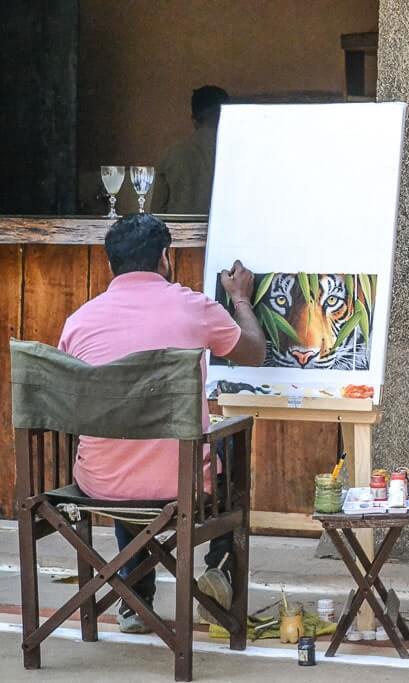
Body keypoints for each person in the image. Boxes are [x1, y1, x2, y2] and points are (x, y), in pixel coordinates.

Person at [58, 213, 265, 633]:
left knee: (122, 444)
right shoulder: (193, 306)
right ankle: (220, 567)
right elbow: (254, 353)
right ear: (165, 259)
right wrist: (240, 299)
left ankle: (135, 599)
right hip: (181, 484)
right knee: (228, 442)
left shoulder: (79, 322)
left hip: (101, 483)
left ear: (111, 264)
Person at [149, 85, 230, 214]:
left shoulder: (171, 154)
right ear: (226, 115)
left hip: (178, 232)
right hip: (223, 231)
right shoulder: (238, 155)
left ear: (194, 119)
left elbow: (156, 210)